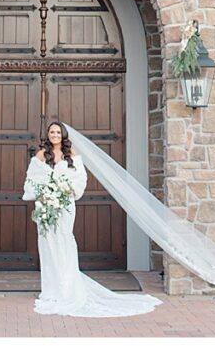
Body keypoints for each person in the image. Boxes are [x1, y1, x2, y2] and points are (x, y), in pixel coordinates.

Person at [23, 121, 162, 317]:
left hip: (65, 205)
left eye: (57, 132)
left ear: (63, 135)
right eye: (51, 132)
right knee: (47, 243)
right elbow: (31, 180)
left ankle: (67, 287)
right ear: (47, 135)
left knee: (64, 240)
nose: (54, 135)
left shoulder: (72, 155)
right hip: (46, 205)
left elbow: (80, 179)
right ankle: (51, 289)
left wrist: (65, 190)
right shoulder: (40, 155)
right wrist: (44, 193)